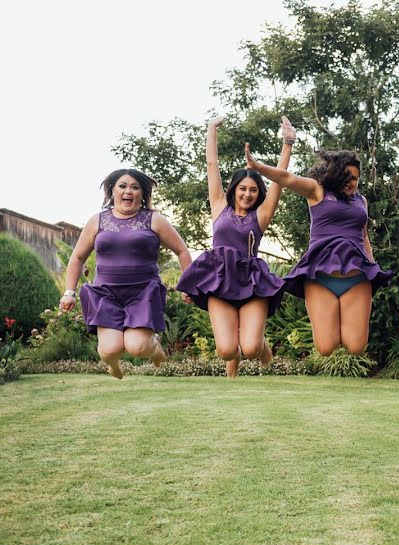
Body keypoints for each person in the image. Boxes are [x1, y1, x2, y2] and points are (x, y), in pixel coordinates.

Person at [244, 145, 391, 356]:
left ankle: (347, 319)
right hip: (321, 278)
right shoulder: (317, 191)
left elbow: (364, 235)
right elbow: (287, 178)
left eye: (356, 178)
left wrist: (372, 265)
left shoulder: (361, 201)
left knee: (356, 347)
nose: (352, 182)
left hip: (356, 277)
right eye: (347, 176)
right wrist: (258, 166)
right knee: (326, 347)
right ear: (335, 174)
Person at [177, 116, 294, 378]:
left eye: (253, 190)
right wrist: (211, 130)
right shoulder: (219, 206)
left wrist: (287, 144)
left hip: (251, 279)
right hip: (219, 277)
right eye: (243, 188)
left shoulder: (261, 216)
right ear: (234, 189)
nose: (247, 194)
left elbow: (279, 181)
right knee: (227, 350)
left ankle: (262, 350)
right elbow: (211, 165)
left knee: (250, 348)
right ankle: (233, 374)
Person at [61, 168, 192, 379]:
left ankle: (156, 350)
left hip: (143, 293)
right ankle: (113, 365)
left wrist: (187, 286)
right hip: (106, 294)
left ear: (142, 193)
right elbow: (77, 258)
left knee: (137, 347)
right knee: (110, 350)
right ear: (112, 190)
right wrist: (69, 292)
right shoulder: (98, 221)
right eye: (122, 186)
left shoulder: (154, 219)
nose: (128, 192)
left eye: (135, 187)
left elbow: (182, 251)